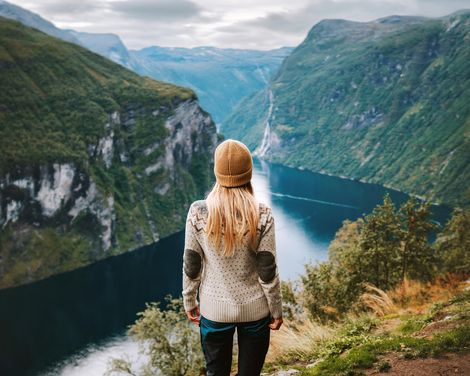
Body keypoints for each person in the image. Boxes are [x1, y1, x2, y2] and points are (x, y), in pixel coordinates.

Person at [182, 139, 283, 376]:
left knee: (216, 373)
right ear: (248, 172)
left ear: (217, 172)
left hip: (214, 311)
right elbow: (267, 271)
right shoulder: (263, 214)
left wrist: (189, 301)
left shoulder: (198, 211)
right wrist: (276, 309)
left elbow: (191, 264)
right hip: (256, 310)